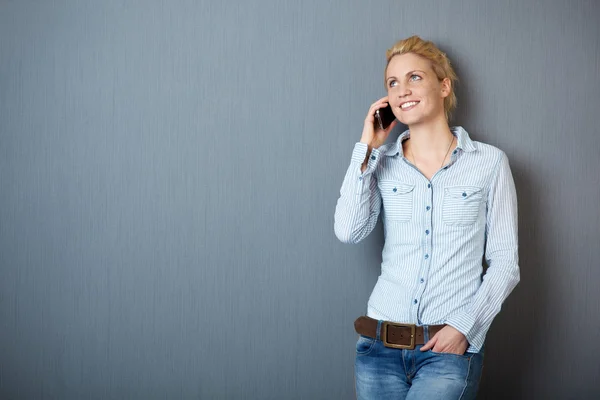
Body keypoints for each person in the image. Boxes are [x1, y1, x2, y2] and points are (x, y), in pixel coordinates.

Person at [334, 35, 520, 399]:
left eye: (415, 77)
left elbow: (505, 263)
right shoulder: (381, 163)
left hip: (447, 349)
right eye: (393, 83)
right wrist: (367, 149)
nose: (403, 89)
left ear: (444, 86)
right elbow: (348, 231)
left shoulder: (489, 163)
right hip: (378, 349)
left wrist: (464, 328)